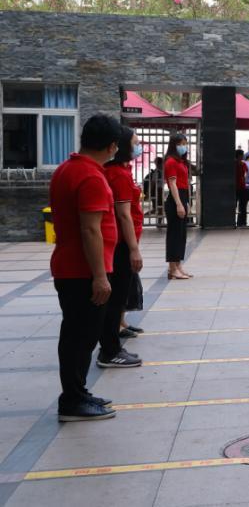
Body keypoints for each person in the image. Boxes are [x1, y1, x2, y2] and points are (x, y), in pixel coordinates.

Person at [50, 114, 122, 421]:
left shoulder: (68, 168)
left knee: (76, 335)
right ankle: (72, 400)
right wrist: (100, 276)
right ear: (111, 146)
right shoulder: (91, 177)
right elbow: (90, 229)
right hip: (82, 271)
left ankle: (77, 393)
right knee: (80, 337)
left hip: (71, 267)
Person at [98, 126, 144, 369]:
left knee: (118, 296)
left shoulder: (118, 171)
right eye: (135, 143)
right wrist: (134, 249)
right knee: (116, 298)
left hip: (120, 242)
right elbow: (124, 215)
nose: (138, 147)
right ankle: (110, 350)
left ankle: (112, 343)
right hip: (122, 244)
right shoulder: (118, 174)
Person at [164, 133, 192, 280]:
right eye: (180, 144)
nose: (183, 146)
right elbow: (172, 184)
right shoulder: (170, 162)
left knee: (181, 235)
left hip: (182, 196)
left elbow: (184, 184)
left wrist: (186, 202)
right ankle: (172, 268)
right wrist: (179, 204)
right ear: (173, 145)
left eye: (185, 144)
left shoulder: (181, 162)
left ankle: (178, 265)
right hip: (175, 199)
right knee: (174, 235)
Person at [234, 149, 248, 226]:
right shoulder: (239, 164)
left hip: (241, 187)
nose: (243, 156)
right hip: (237, 187)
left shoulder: (243, 164)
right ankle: (239, 222)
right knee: (238, 206)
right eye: (242, 155)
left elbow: (245, 174)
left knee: (242, 206)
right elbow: (245, 175)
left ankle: (241, 222)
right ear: (239, 155)